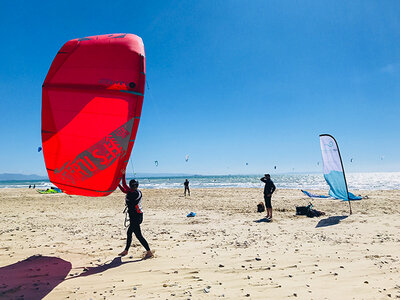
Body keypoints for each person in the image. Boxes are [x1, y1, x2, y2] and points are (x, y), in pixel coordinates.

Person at [118, 170, 153, 259]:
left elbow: (124, 188)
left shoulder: (134, 194)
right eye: (132, 186)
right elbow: (125, 187)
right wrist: (122, 177)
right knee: (129, 232)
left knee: (138, 235)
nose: (133, 187)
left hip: (136, 217)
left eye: (134, 186)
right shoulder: (136, 191)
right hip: (136, 215)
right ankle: (126, 251)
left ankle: (149, 252)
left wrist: (122, 176)